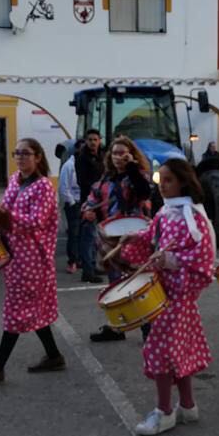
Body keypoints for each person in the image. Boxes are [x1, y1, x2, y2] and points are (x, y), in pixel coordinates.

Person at [117, 158, 216, 436]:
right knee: (177, 350)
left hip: (177, 295)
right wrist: (132, 238)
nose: (163, 186)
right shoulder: (165, 212)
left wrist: (169, 259)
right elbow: (152, 234)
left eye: (169, 180)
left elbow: (202, 257)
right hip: (162, 290)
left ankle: (164, 412)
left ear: (183, 181)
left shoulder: (193, 216)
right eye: (161, 180)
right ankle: (187, 405)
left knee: (160, 351)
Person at [0, 138, 65, 388]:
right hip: (14, 254)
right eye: (17, 153)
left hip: (33, 258)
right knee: (32, 308)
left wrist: (4, 214)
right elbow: (6, 209)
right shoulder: (15, 180)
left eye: (26, 153)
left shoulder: (43, 187)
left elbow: (35, 222)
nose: (20, 157)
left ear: (38, 157)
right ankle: (54, 356)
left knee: (16, 312)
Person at [82, 135, 153, 341]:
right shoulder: (105, 179)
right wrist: (87, 211)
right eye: (114, 153)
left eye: (122, 153)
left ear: (131, 154)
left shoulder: (139, 175)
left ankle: (148, 329)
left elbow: (144, 193)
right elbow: (91, 200)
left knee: (137, 283)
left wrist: (131, 167)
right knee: (115, 285)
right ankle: (117, 326)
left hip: (135, 238)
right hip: (111, 238)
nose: (117, 157)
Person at [75, 129, 105, 282]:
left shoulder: (102, 156)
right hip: (90, 202)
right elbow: (83, 182)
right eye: (90, 139)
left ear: (100, 140)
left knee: (96, 238)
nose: (93, 142)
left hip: (102, 202)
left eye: (95, 139)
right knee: (88, 237)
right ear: (86, 141)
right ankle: (87, 271)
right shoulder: (82, 158)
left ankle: (93, 266)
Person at [58, 140, 83, 274]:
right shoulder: (69, 166)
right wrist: (73, 203)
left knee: (85, 234)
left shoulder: (87, 164)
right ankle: (72, 261)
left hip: (86, 203)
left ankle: (82, 259)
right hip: (74, 203)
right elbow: (64, 188)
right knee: (73, 233)